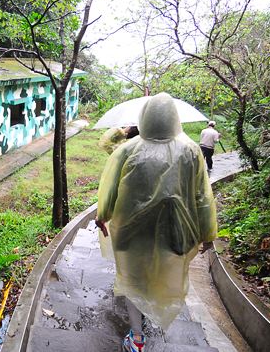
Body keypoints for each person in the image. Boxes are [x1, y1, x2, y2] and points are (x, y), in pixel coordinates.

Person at [95, 93, 217, 352]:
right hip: (172, 229)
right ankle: (150, 313)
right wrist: (208, 234)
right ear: (175, 118)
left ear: (144, 118)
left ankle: (137, 338)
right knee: (158, 275)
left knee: (132, 280)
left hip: (130, 230)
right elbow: (203, 198)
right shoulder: (191, 150)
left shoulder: (128, 149)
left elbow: (109, 190)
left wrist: (103, 215)